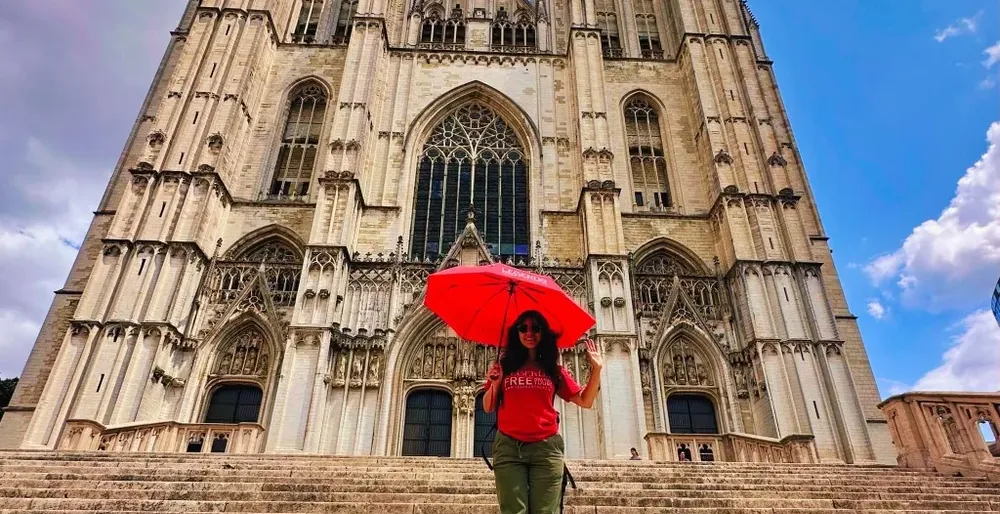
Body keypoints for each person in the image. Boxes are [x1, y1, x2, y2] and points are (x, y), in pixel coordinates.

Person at [483, 310, 603, 514]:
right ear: (516, 333)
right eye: (523, 328)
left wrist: (597, 370)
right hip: (509, 447)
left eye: (535, 328)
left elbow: (585, 401)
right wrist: (494, 384)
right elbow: (488, 406)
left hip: (546, 448)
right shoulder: (505, 367)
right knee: (513, 511)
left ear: (543, 333)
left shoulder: (553, 370)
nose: (529, 333)